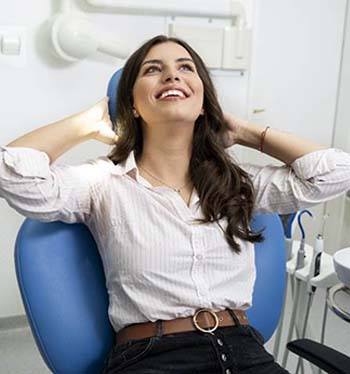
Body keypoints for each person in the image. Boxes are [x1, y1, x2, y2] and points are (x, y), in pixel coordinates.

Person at [1, 34, 350, 374]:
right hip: (153, 358)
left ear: (202, 100)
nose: (172, 74)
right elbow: (11, 173)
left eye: (186, 68)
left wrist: (245, 131)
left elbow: (335, 172)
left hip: (246, 351)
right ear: (133, 105)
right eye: (153, 69)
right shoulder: (102, 183)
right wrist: (85, 124)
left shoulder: (239, 182)